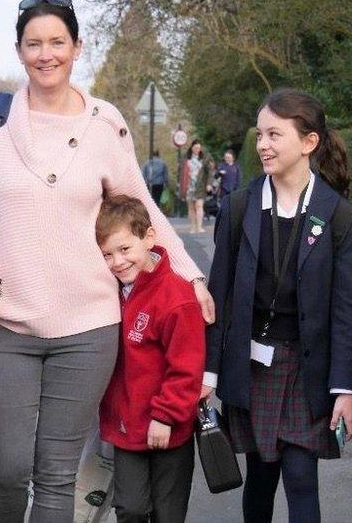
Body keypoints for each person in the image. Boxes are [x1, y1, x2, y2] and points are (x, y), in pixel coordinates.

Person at [0, 0, 215, 523]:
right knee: (6, 467)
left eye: (57, 42)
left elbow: (147, 215)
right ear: (19, 51)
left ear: (77, 47)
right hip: (8, 322)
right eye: (34, 44)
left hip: (90, 329)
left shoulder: (104, 123)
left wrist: (191, 274)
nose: (46, 54)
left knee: (56, 473)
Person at [204, 88, 352, 522]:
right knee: (261, 476)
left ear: (308, 143)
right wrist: (208, 372)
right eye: (260, 134)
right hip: (252, 365)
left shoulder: (340, 217)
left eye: (274, 134)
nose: (263, 145)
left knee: (301, 476)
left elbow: (350, 311)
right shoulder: (239, 207)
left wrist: (346, 389)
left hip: (306, 368)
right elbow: (217, 293)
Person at [95, 195, 206, 523]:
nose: (117, 262)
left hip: (170, 427)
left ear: (149, 238)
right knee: (130, 508)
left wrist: (166, 416)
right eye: (107, 255)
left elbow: (186, 367)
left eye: (125, 249)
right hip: (127, 425)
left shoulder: (177, 298)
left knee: (167, 514)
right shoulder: (109, 292)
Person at [181, 140, 211, 233]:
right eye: (195, 148)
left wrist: (209, 184)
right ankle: (193, 226)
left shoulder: (204, 158)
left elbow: (209, 172)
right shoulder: (186, 158)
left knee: (199, 205)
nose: (197, 149)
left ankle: (199, 226)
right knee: (191, 207)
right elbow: (181, 173)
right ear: (192, 148)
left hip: (200, 186)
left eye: (199, 148)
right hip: (189, 186)